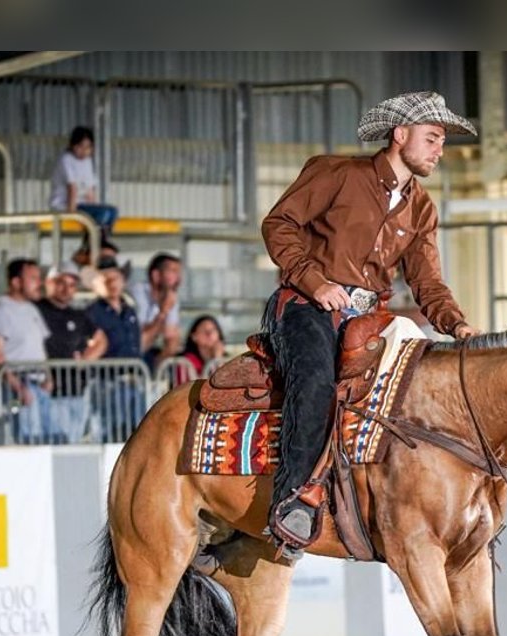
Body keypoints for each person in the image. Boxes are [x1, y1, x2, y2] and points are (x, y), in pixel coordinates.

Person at [260, 90, 482, 556]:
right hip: (305, 307)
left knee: (415, 394)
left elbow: (427, 283)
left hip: (368, 319)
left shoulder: (421, 208)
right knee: (317, 383)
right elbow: (278, 224)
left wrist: (457, 325)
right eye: (432, 138)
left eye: (441, 141)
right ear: (400, 135)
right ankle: (292, 505)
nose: (439, 149)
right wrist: (315, 282)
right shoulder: (337, 174)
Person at [37, 261, 108, 443]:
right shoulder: (36, 310)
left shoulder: (78, 315)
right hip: (49, 394)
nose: (66, 289)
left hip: (77, 391)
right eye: (60, 282)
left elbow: (101, 340)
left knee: (73, 444)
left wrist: (84, 359)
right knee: (55, 444)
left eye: (71, 284)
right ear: (49, 283)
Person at [0, 257, 53, 444]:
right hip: (19, 385)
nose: (39, 283)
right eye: (33, 278)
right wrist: (18, 387)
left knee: (46, 441)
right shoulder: (1, 310)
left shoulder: (32, 309)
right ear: (16, 282)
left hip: (39, 385)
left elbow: (40, 348)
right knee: (27, 441)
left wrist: (49, 377)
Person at [87, 258, 146, 442]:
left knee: (137, 435)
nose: (112, 283)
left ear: (123, 280)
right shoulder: (91, 312)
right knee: (108, 434)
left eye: (115, 278)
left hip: (133, 382)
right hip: (107, 383)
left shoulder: (130, 311)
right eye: (106, 279)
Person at [49, 125, 118, 229]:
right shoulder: (66, 160)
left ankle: (100, 239)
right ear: (73, 145)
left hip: (82, 205)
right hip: (66, 205)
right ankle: (93, 240)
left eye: (88, 147)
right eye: (80, 146)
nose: (84, 151)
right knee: (102, 215)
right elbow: (72, 188)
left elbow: (90, 190)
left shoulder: (87, 161)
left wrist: (93, 207)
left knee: (112, 211)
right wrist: (71, 215)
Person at [130, 252, 184, 372]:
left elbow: (171, 337)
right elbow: (140, 341)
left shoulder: (171, 296)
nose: (178, 278)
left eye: (178, 272)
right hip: (132, 355)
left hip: (153, 354)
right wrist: (163, 311)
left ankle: (155, 379)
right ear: (156, 275)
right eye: (173, 271)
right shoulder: (138, 292)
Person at [178, 314, 226, 382]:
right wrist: (217, 359)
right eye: (204, 330)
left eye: (213, 329)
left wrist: (218, 357)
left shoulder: (227, 360)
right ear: (194, 337)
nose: (209, 334)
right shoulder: (186, 362)